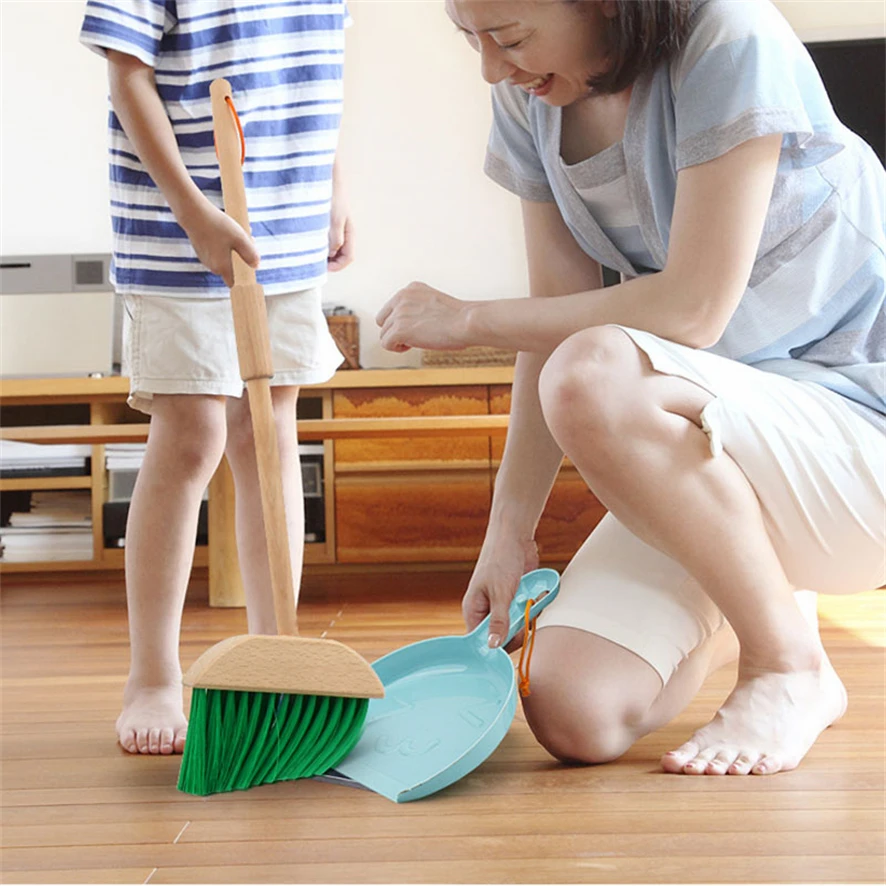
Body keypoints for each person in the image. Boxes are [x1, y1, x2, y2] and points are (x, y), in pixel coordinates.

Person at [377, 0, 885, 776]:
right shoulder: (530, 94)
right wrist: (507, 533)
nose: (490, 68)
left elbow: (692, 310)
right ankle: (770, 600)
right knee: (576, 711)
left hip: (857, 444)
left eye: (508, 38)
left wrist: (469, 319)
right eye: (471, 39)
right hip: (730, 452)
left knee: (592, 372)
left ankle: (787, 664)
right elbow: (549, 322)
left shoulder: (730, 36)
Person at [80, 1, 353, 755]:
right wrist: (194, 213)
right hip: (180, 229)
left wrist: (335, 186)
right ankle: (153, 676)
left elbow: (317, 70)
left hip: (288, 220)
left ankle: (277, 658)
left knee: (269, 433)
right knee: (192, 433)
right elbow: (127, 76)